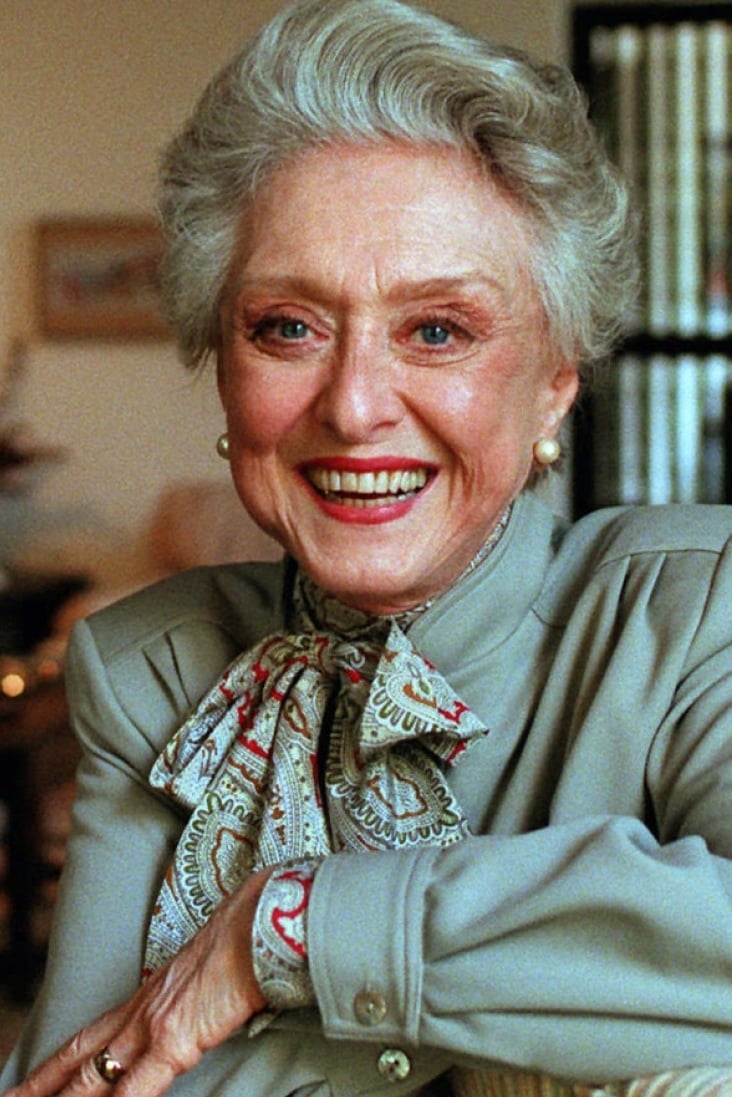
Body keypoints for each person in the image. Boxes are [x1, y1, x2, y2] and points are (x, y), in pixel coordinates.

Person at [2, 0, 732, 1093]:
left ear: (555, 382)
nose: (352, 405)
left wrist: (289, 930)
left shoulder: (696, 610)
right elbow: (91, 1075)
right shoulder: (150, 670)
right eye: (288, 327)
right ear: (223, 365)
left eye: (437, 330)